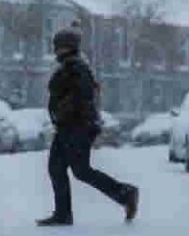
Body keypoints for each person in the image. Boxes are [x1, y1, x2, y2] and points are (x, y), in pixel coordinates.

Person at [37, 24, 139, 227]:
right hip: (69, 126)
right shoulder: (70, 65)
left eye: (58, 46)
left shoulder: (76, 67)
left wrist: (63, 111)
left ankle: (126, 194)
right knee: (57, 168)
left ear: (67, 47)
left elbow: (80, 97)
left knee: (80, 170)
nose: (55, 49)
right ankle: (63, 214)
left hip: (77, 126)